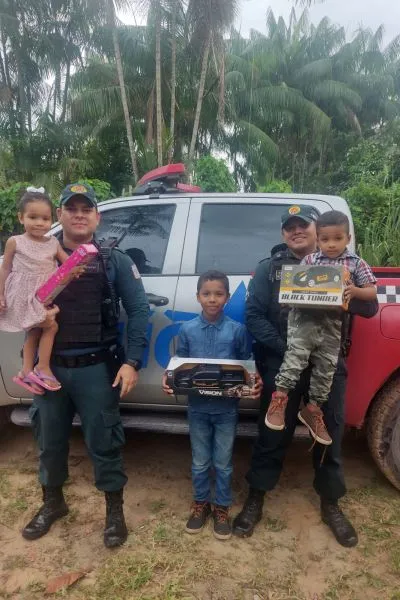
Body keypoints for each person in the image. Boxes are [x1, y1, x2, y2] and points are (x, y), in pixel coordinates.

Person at [232, 205, 378, 547]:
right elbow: (254, 317)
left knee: (330, 433)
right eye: (290, 227)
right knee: (272, 433)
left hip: (327, 364)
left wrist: (347, 294)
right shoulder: (269, 269)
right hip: (284, 362)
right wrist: (290, 349)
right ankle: (256, 496)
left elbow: (369, 307)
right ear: (283, 234)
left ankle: (331, 503)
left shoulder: (346, 266)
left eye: (304, 226)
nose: (297, 231)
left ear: (319, 231)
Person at [21, 183, 150, 548]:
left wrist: (132, 362)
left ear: (97, 216)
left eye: (86, 208)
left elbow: (139, 309)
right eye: (71, 208)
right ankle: (52, 503)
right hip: (48, 369)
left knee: (104, 442)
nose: (79, 214)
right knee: (48, 440)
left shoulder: (113, 260)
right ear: (59, 214)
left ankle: (114, 513)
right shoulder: (38, 255)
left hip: (96, 368)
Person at [162, 270, 260, 540]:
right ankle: (200, 504)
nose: (212, 299)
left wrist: (253, 381)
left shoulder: (237, 331)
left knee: (224, 463)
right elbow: (179, 364)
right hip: (198, 408)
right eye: (207, 294)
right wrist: (170, 379)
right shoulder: (188, 329)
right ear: (198, 297)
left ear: (227, 298)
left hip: (227, 410)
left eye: (218, 294)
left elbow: (246, 365)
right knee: (200, 461)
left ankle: (222, 508)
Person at [266, 210, 377, 445]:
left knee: (327, 368)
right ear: (318, 239)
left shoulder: (356, 263)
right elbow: (294, 290)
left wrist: (355, 291)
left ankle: (313, 408)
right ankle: (279, 399)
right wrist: (288, 297)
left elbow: (371, 292)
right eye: (325, 239)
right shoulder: (309, 261)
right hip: (304, 323)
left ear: (348, 238)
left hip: (332, 326)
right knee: (294, 359)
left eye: (337, 239)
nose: (331, 244)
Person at [0, 187, 70, 394]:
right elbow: (5, 268)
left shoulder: (53, 242)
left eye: (45, 218)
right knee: (50, 327)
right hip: (23, 295)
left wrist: (78, 265)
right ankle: (41, 367)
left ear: (52, 220)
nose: (40, 223)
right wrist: (1, 293)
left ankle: (26, 371)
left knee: (36, 330)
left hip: (44, 295)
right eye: (33, 217)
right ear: (21, 217)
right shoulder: (15, 242)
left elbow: (68, 264)